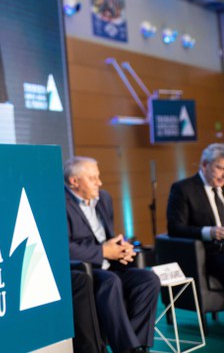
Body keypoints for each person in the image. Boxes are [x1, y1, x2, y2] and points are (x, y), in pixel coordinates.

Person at [64, 157, 160, 353]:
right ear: (74, 181)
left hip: (110, 264)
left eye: (98, 177)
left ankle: (137, 344)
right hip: (84, 270)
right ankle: (127, 348)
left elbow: (108, 236)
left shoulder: (103, 198)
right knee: (111, 281)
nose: (99, 183)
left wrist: (122, 248)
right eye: (93, 178)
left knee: (148, 279)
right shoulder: (60, 204)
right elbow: (64, 248)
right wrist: (103, 252)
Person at [167, 143, 224, 285]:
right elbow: (175, 228)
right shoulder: (183, 189)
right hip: (210, 252)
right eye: (220, 168)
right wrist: (209, 232)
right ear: (205, 165)